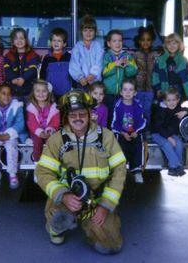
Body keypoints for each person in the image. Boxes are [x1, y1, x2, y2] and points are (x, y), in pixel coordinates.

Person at [35, 89, 127, 254]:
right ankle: (55, 228)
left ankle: (90, 226)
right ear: (66, 117)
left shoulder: (106, 137)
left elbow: (119, 172)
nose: (77, 118)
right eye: (72, 115)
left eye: (82, 114)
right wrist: (63, 195)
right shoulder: (57, 140)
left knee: (110, 246)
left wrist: (105, 205)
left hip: (96, 201)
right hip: (67, 199)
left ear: (90, 113)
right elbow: (42, 172)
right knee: (59, 218)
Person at [0, 83, 25, 189]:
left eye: (9, 94)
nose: (7, 96)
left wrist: (9, 134)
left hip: (10, 134)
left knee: (11, 147)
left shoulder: (17, 106)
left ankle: (12, 174)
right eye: (3, 94)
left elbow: (20, 123)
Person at [151, 87, 188, 177]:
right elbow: (159, 127)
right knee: (167, 144)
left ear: (178, 100)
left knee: (179, 143)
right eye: (169, 100)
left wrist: (185, 112)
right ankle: (176, 166)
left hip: (169, 133)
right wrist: (169, 138)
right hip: (157, 133)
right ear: (164, 101)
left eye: (174, 100)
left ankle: (173, 168)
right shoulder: (161, 110)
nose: (171, 102)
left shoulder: (178, 109)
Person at [111, 78, 146, 183]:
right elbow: (114, 124)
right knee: (121, 147)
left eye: (130, 90)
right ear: (121, 92)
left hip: (134, 132)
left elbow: (142, 121)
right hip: (122, 132)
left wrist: (136, 131)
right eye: (125, 89)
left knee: (138, 145)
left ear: (135, 92)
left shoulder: (138, 105)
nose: (127, 92)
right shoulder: (118, 106)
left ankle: (137, 171)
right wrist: (122, 133)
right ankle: (121, 171)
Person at [102, 29, 137, 127]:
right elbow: (104, 72)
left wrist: (127, 65)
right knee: (109, 115)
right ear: (109, 44)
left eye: (120, 41)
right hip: (108, 93)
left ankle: (122, 134)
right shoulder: (106, 56)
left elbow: (133, 72)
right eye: (114, 41)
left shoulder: (127, 56)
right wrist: (115, 64)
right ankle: (109, 135)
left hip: (123, 94)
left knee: (122, 115)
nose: (117, 43)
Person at [152, 33, 188, 104]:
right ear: (166, 46)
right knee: (165, 110)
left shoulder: (184, 61)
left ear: (179, 45)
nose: (172, 46)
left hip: (179, 91)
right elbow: (155, 76)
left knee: (177, 111)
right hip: (165, 90)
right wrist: (158, 88)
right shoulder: (160, 60)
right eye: (169, 44)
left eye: (174, 43)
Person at [26, 80, 60, 162]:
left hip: (49, 132)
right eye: (38, 91)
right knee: (37, 142)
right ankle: (37, 164)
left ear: (49, 93)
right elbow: (31, 123)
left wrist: (50, 130)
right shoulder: (31, 108)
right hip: (36, 132)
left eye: (44, 91)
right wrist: (40, 132)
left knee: (52, 142)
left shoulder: (54, 108)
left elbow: (55, 121)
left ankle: (50, 163)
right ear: (33, 93)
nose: (41, 94)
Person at [133, 26, 160, 126]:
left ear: (152, 41)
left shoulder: (155, 55)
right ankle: (138, 129)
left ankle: (146, 130)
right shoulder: (135, 55)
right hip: (138, 89)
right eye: (143, 40)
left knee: (147, 111)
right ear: (139, 41)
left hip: (150, 89)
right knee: (138, 110)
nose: (145, 42)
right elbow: (132, 71)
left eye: (148, 40)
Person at [4, 27, 40, 103]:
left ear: (26, 40)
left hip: (29, 90)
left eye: (21, 38)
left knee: (29, 111)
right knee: (15, 111)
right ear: (12, 41)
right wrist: (12, 79)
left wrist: (23, 78)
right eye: (16, 38)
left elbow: (33, 70)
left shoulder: (32, 54)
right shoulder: (8, 55)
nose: (19, 41)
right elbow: (7, 69)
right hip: (13, 90)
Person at [69, 15, 104, 90]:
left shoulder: (98, 46)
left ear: (95, 32)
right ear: (81, 32)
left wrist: (93, 74)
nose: (88, 33)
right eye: (85, 30)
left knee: (95, 100)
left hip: (95, 82)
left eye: (91, 30)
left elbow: (99, 62)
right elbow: (74, 64)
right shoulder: (77, 46)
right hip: (82, 83)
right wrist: (80, 77)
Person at [39, 27, 72, 103]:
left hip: (66, 92)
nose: (56, 43)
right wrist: (43, 88)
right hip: (51, 93)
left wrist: (73, 87)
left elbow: (73, 73)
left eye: (59, 41)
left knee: (65, 112)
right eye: (54, 40)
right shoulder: (47, 58)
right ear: (50, 42)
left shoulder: (69, 57)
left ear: (64, 44)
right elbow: (42, 74)